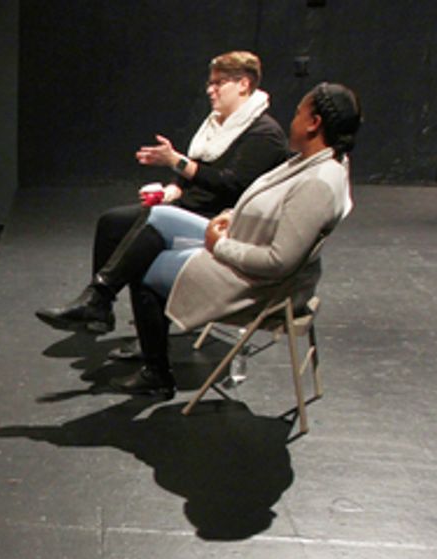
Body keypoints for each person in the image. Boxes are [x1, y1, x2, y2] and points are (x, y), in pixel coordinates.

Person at [105, 82, 361, 398]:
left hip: (255, 286)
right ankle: (99, 295)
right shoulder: (312, 164)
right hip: (242, 243)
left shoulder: (318, 184)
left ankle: (157, 374)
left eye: (298, 113)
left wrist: (219, 245)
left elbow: (279, 262)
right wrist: (231, 215)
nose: (292, 120)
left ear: (314, 123)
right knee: (158, 218)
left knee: (146, 270)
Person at [36, 51, 290, 335]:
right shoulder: (217, 123)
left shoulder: (263, 133)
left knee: (143, 244)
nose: (210, 89)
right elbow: (199, 166)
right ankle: (100, 308)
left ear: (243, 84)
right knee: (112, 222)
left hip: (218, 219)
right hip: (189, 205)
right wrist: (173, 187)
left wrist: (176, 161)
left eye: (218, 83)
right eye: (210, 83)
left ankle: (103, 301)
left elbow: (229, 184)